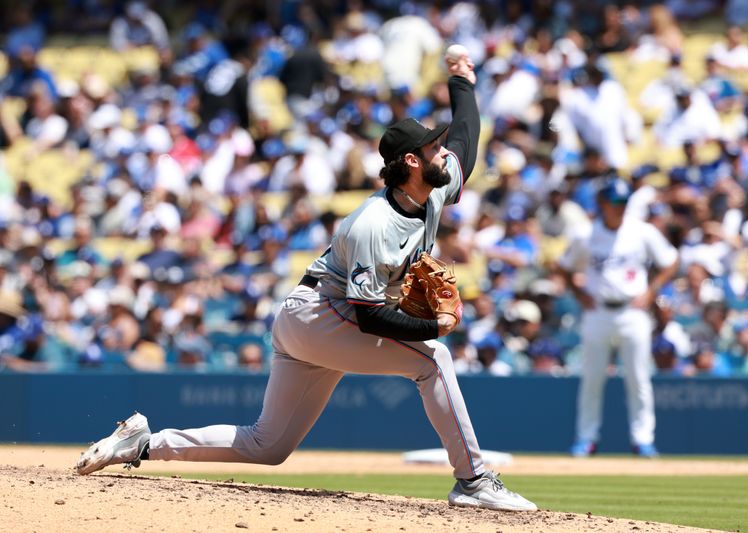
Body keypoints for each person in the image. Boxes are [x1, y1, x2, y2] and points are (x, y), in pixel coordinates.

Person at [75, 50, 536, 512]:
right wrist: (435, 328)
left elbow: (467, 142)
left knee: (267, 445)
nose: (444, 152)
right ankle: (473, 481)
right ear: (412, 162)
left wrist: (463, 82)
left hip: (315, 316)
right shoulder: (372, 224)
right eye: (434, 148)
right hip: (323, 316)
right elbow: (371, 318)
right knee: (432, 359)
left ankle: (142, 444)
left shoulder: (431, 190)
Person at [558, 178, 679, 458]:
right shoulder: (585, 234)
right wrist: (579, 293)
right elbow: (562, 266)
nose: (621, 208)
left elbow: (671, 260)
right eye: (616, 202)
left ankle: (643, 439)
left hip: (632, 310)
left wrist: (651, 291)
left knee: (638, 378)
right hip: (597, 309)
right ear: (601, 204)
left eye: (624, 202)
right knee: (592, 378)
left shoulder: (641, 231)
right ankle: (586, 438)